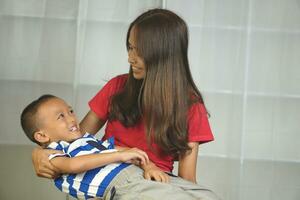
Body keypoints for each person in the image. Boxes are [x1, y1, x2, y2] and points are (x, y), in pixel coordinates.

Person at [31, 8, 219, 198]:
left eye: (139, 51)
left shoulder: (191, 106)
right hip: (115, 175)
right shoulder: (117, 87)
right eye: (130, 48)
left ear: (164, 55)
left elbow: (187, 180)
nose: (130, 58)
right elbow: (74, 139)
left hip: (159, 179)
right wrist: (40, 153)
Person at [21, 95, 218, 200]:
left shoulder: (87, 140)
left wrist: (148, 166)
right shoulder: (58, 151)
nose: (72, 117)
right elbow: (73, 166)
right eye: (61, 116)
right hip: (121, 188)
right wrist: (117, 155)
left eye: (70, 111)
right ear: (42, 135)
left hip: (143, 174)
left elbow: (126, 151)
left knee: (205, 195)